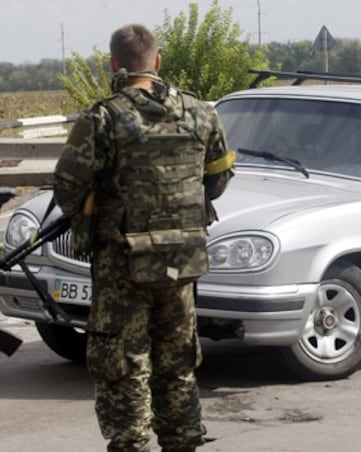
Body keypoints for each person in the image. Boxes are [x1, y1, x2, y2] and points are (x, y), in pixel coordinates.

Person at [53, 24, 235, 451]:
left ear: (114, 64)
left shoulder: (104, 117)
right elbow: (220, 176)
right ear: (157, 62)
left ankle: (132, 443)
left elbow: (67, 187)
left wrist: (92, 209)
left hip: (123, 264)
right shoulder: (201, 112)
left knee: (123, 362)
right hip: (184, 259)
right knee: (178, 361)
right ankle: (183, 439)